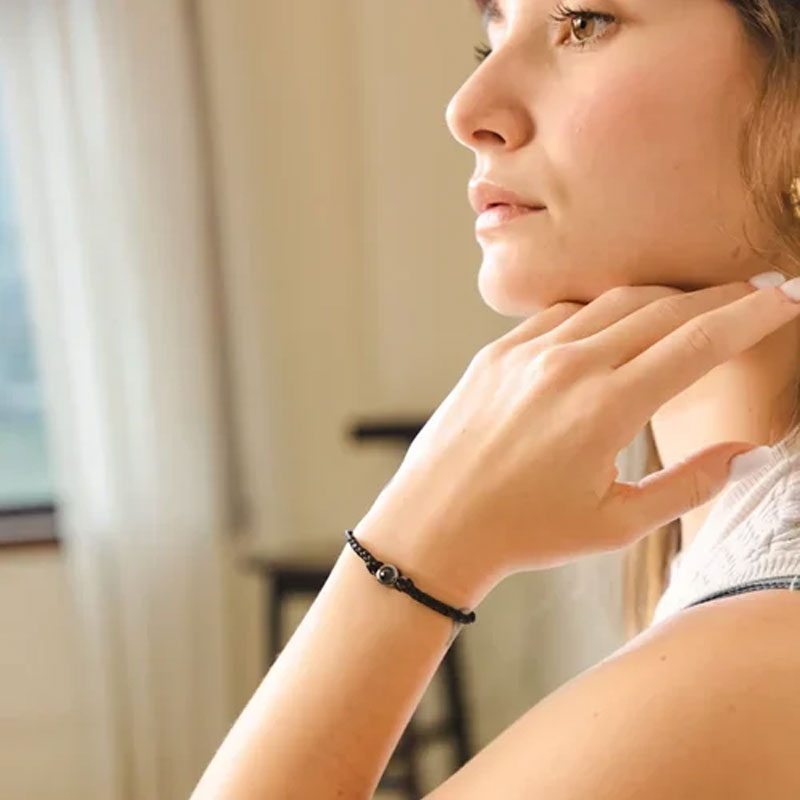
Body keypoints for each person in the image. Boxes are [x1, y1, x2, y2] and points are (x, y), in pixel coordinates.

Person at [192, 1, 800, 797]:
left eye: (583, 22)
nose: (467, 109)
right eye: (492, 33)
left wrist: (413, 548)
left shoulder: (761, 651)